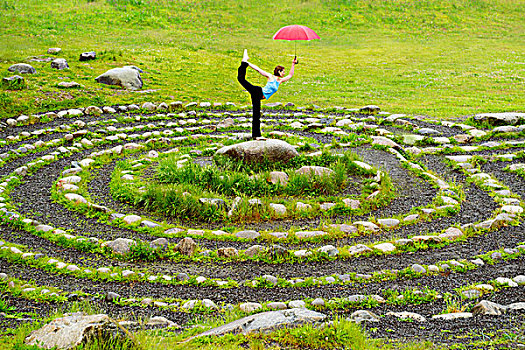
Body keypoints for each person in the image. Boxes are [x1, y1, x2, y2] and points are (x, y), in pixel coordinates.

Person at [237, 49, 297, 139]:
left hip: (259, 95)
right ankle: (244, 61)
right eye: (283, 71)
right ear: (279, 72)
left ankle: (256, 136)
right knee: (241, 80)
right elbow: (258, 69)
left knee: (256, 114)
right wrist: (248, 64)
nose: (284, 73)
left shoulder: (280, 81)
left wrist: (293, 64)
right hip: (258, 92)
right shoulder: (270, 77)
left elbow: (290, 75)